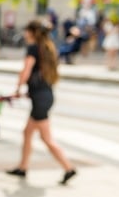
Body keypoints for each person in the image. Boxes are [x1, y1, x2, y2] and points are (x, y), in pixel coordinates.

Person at [6, 19, 77, 185]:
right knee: (27, 132)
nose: (24, 34)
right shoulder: (47, 47)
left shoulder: (33, 48)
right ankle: (22, 167)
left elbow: (26, 70)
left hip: (40, 99)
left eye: (26, 31)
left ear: (32, 32)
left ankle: (68, 167)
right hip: (44, 96)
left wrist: (18, 88)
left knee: (46, 138)